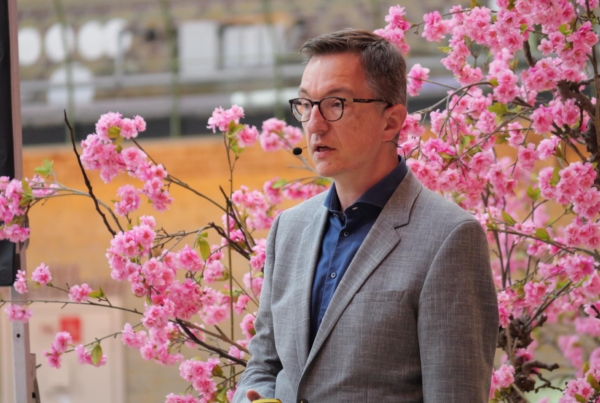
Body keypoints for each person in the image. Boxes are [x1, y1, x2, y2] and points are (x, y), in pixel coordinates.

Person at [233, 29, 498, 403]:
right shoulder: (288, 229)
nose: (315, 123)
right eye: (306, 104)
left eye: (336, 104)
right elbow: (264, 366)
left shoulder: (449, 238)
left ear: (391, 122)